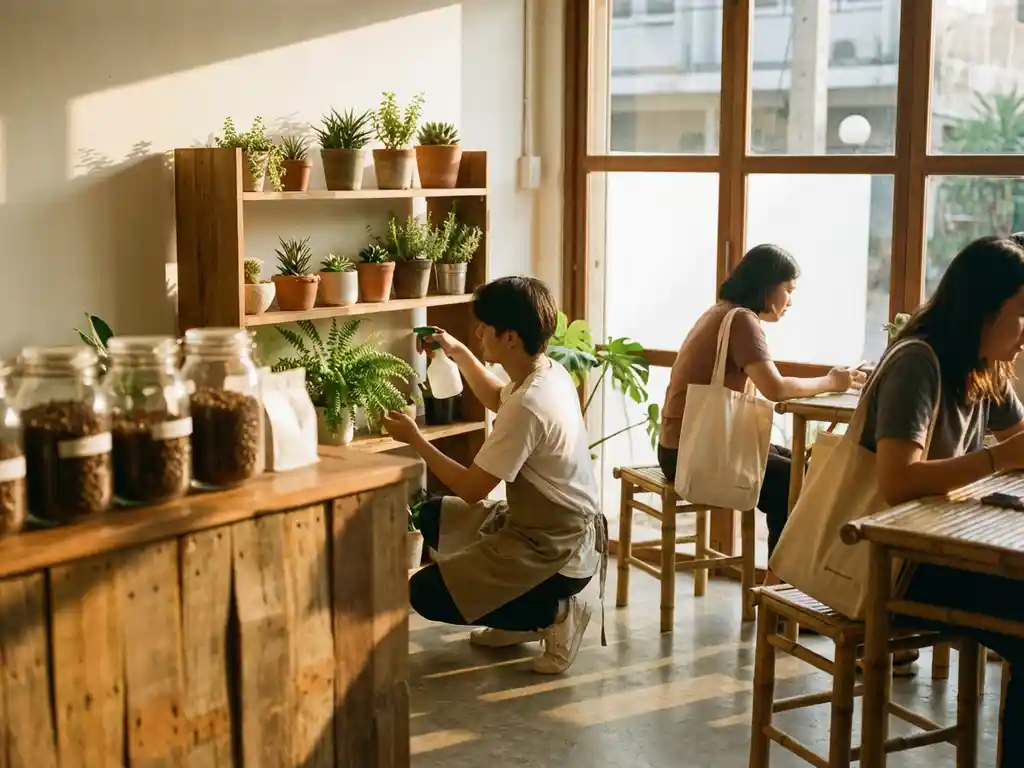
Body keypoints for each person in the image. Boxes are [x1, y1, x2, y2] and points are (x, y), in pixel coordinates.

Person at [852, 235, 1024, 763]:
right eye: (1021, 316)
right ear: (985, 310)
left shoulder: (981, 363)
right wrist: (1002, 459)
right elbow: (897, 483)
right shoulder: (918, 361)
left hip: (944, 546)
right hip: (895, 562)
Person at [381, 276, 604, 675]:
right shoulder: (546, 373)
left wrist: (415, 439)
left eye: (485, 327)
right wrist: (458, 350)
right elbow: (492, 396)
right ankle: (512, 621)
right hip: (538, 526)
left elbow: (470, 488)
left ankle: (555, 614)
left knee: (426, 593)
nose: (478, 332)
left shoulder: (531, 403)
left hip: (557, 547)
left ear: (511, 338)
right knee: (433, 516)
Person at [656, 244, 865, 555]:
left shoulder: (720, 311)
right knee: (794, 485)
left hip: (680, 446)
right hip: (694, 454)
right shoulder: (742, 320)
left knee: (800, 469)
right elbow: (776, 389)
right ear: (768, 287)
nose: (790, 300)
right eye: (788, 289)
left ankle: (780, 581)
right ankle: (777, 585)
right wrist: (832, 381)